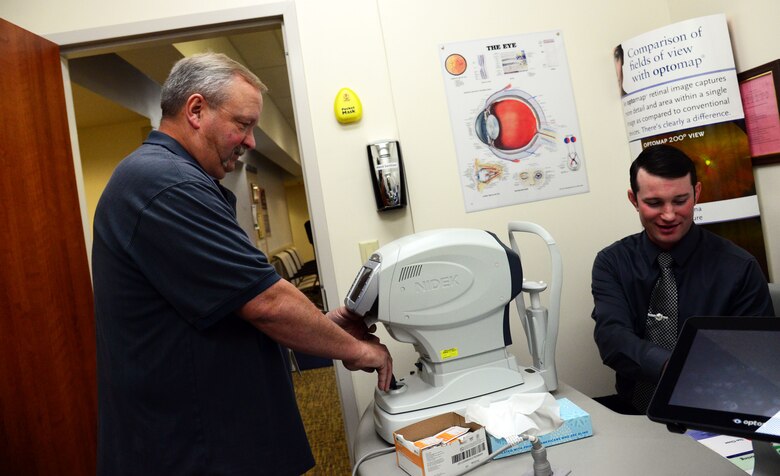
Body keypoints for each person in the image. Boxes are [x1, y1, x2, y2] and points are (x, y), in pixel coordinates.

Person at [92, 53, 393, 476]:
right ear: (196, 110)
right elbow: (266, 301)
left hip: (211, 436)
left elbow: (231, 301)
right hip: (193, 448)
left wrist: (324, 324)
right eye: (244, 123)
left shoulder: (174, 178)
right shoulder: (164, 184)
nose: (251, 140)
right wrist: (359, 350)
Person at [590, 144, 774, 414]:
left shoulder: (738, 267)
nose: (668, 215)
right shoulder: (613, 263)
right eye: (654, 203)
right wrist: (670, 366)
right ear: (634, 199)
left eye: (680, 201)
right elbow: (612, 338)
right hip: (636, 415)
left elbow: (756, 355)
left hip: (718, 411)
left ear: (696, 193)